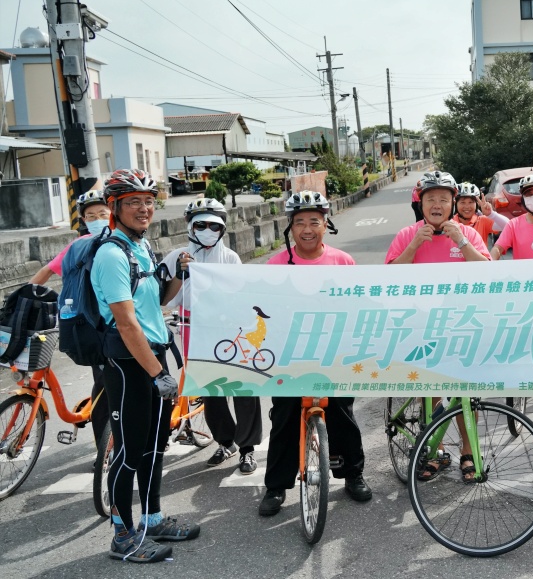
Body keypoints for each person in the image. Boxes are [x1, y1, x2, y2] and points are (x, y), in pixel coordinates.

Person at [95, 169, 197, 563]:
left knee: (154, 447)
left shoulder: (141, 246)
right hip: (129, 364)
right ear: (115, 207)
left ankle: (151, 518)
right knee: (129, 451)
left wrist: (177, 274)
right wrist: (157, 373)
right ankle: (122, 535)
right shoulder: (111, 253)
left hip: (153, 355)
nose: (144, 208)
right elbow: (125, 321)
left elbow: (158, 304)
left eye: (148, 201)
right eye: (133, 201)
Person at [258, 191, 373, 517]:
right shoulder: (276, 264)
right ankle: (276, 486)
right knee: (283, 418)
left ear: (326, 224)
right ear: (290, 228)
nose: (307, 229)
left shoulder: (342, 261)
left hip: (333, 354)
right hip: (289, 355)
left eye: (314, 222)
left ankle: (353, 474)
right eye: (299, 223)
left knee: (342, 414)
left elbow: (357, 307)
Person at [386, 171, 489, 481]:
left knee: (463, 394)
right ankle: (438, 451)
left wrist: (462, 241)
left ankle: (469, 453)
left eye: (444, 199)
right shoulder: (407, 234)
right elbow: (387, 277)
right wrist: (414, 246)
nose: (437, 204)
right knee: (431, 391)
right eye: (431, 199)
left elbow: (489, 273)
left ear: (453, 203)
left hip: (462, 325)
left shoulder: (467, 234)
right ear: (421, 203)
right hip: (420, 327)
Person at [161, 198, 262, 475]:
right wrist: (180, 275)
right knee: (211, 393)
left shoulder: (229, 258)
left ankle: (247, 449)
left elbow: (240, 293)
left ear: (222, 228)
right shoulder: (176, 257)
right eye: (201, 225)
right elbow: (165, 300)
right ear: (190, 226)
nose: (207, 230)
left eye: (213, 225)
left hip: (228, 330)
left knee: (242, 390)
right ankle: (226, 442)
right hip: (194, 330)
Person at [30, 189, 112, 450]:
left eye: (103, 213)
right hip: (93, 324)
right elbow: (46, 271)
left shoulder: (121, 241)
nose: (97, 219)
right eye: (91, 215)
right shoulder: (78, 246)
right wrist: (25, 297)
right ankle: (104, 448)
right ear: (84, 221)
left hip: (119, 321)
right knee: (104, 384)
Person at [491, 175, 533, 260]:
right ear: (523, 199)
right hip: (522, 272)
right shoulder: (513, 224)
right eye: (529, 195)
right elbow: (498, 248)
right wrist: (490, 262)